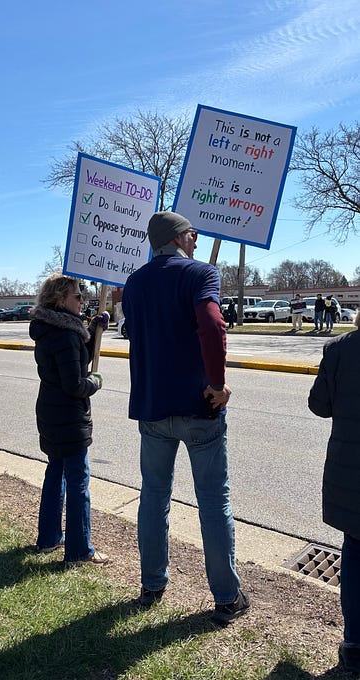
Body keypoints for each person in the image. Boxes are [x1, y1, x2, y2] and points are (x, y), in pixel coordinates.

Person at [122, 210, 250, 622]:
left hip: (153, 406)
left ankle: (152, 584)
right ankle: (227, 598)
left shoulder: (134, 282)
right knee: (213, 500)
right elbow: (213, 326)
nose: (195, 240)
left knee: (154, 496)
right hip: (200, 405)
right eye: (192, 234)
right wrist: (218, 382)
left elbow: (135, 333)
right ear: (179, 237)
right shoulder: (201, 274)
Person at [29, 274, 110, 566]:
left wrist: (92, 329)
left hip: (51, 413)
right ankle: (79, 550)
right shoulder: (64, 334)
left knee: (56, 473)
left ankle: (49, 538)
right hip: (67, 417)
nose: (83, 300)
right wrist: (95, 383)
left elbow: (74, 360)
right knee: (78, 481)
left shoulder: (53, 328)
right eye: (78, 296)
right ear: (61, 300)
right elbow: (75, 383)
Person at [308, 309, 360, 675]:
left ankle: (355, 644)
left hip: (350, 474)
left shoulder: (338, 349)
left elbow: (318, 405)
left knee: (355, 556)